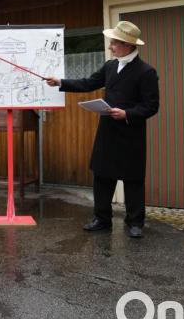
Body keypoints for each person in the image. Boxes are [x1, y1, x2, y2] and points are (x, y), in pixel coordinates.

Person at [45, 20, 159, 238]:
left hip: (131, 134)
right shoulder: (109, 66)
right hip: (107, 132)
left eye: (114, 43)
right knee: (102, 176)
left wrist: (127, 114)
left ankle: (135, 222)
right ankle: (102, 218)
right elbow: (88, 83)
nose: (110, 47)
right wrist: (60, 81)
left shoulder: (146, 72)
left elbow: (151, 106)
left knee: (133, 179)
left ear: (127, 44)